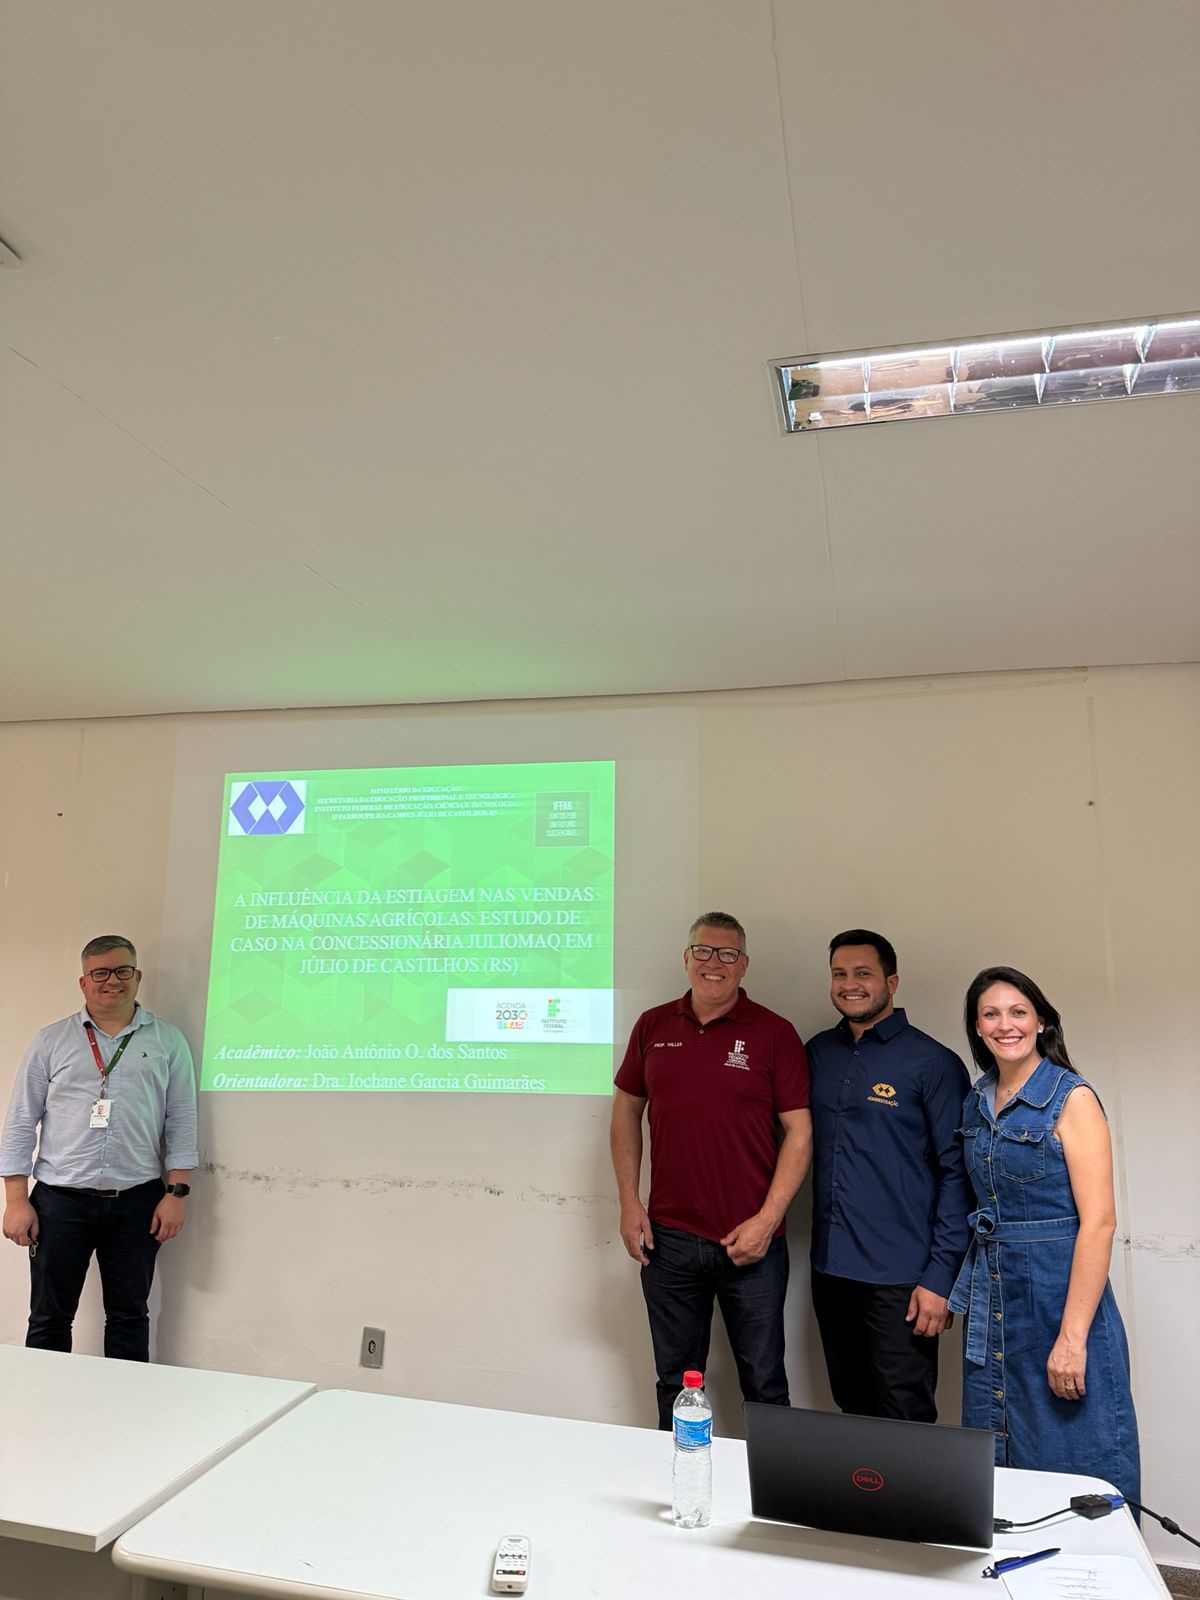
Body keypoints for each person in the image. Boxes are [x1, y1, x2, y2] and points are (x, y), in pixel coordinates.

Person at [611, 913, 812, 1429]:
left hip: (752, 1241)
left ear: (744, 965)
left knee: (764, 1384)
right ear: (686, 959)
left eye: (727, 954)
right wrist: (629, 1202)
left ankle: (772, 1480)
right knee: (675, 1384)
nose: (713, 963)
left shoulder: (774, 1033)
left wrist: (767, 1220)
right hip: (669, 1241)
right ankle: (680, 1472)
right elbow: (626, 1111)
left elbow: (800, 1133)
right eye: (703, 951)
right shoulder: (652, 1026)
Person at [949, 967, 1140, 1499]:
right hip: (994, 1302)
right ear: (977, 1027)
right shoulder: (976, 1099)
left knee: (1078, 1459)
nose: (1005, 1025)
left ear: (1040, 1022)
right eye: (990, 1014)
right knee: (995, 1462)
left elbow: (1099, 1222)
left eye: (1018, 1012)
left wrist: (1072, 1339)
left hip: (1058, 1301)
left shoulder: (1071, 1097)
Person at [1, 936, 198, 1361]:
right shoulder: (51, 1040)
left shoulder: (167, 1041)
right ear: (84, 982)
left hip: (137, 1201)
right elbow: (19, 1121)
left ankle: (126, 1401)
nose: (112, 981)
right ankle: (45, 1397)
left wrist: (177, 1193)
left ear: (137, 976)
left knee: (129, 1316)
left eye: (122, 970)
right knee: (49, 1318)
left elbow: (181, 1120)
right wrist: (16, 1200)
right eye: (100, 972)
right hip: (59, 1202)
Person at [806, 929, 970, 1422]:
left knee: (906, 1415)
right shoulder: (817, 1054)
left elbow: (958, 1175)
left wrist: (941, 1278)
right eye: (839, 973)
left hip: (903, 1278)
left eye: (863, 973)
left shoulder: (934, 1063)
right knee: (851, 1406)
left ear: (891, 982)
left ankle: (910, 1485)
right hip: (831, 1271)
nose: (849, 984)